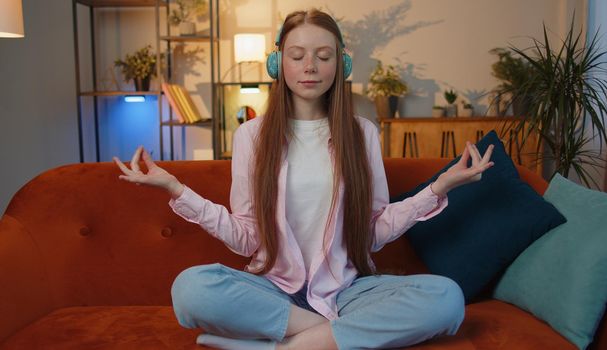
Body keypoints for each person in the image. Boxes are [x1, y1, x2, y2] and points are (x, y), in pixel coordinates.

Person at [113, 8, 494, 350]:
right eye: (297, 56)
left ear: (340, 65)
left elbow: (373, 232)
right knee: (191, 289)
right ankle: (328, 334)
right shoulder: (251, 136)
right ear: (278, 64)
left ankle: (283, 347)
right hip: (272, 290)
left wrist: (439, 187)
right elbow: (246, 235)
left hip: (347, 290)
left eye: (323, 56)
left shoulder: (362, 134)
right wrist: (175, 189)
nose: (310, 66)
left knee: (446, 298)